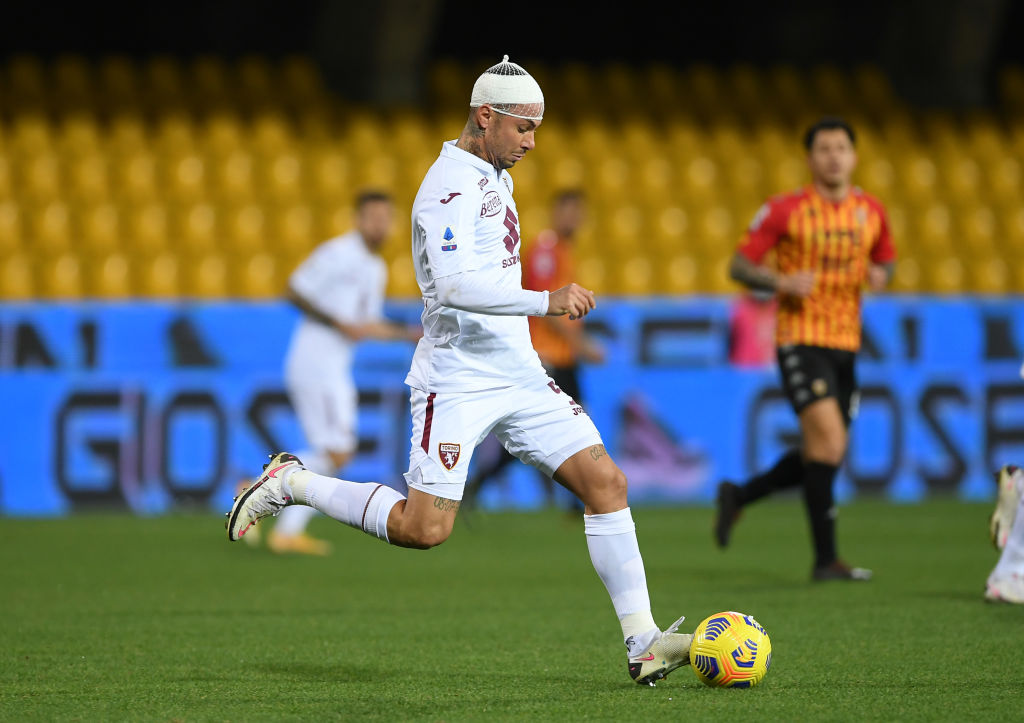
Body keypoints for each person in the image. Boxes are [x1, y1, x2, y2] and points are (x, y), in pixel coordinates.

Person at [226, 55, 693, 686]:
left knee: (606, 484)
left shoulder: (493, 174)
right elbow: (450, 286)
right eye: (523, 128)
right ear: (485, 116)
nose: (532, 142)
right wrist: (545, 301)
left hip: (518, 370)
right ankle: (293, 483)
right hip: (459, 377)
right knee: (424, 529)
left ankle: (643, 642)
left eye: (536, 129)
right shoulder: (448, 186)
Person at [714, 116, 895, 582]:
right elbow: (739, 265)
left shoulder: (871, 211)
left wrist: (882, 274)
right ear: (810, 158)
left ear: (854, 157)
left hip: (847, 343)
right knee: (829, 442)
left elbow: (886, 259)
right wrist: (780, 281)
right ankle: (825, 561)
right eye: (824, 149)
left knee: (824, 453)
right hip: (800, 339)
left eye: (841, 148)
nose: (834, 157)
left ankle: (740, 495)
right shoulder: (785, 210)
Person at [240, 190, 421, 555]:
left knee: (334, 453)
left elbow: (365, 324)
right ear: (358, 219)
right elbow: (294, 291)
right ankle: (259, 488)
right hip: (315, 363)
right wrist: (336, 322)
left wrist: (408, 334)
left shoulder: (375, 268)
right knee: (337, 452)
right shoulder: (338, 253)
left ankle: (279, 522)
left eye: (385, 219)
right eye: (373, 217)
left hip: (333, 366)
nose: (380, 225)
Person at [463, 189, 604, 513]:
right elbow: (544, 303)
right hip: (546, 355)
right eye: (569, 210)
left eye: (579, 212)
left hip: (564, 356)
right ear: (556, 212)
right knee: (568, 427)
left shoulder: (565, 250)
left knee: (558, 429)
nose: (574, 218)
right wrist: (582, 344)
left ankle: (482, 485)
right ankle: (579, 500)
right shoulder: (546, 250)